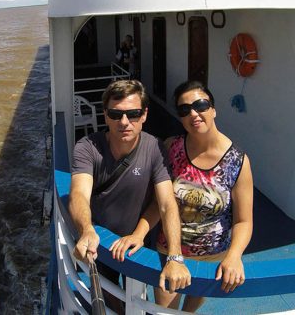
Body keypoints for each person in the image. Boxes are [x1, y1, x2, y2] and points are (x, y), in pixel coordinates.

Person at [110, 80, 254, 312]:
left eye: (200, 105)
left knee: (188, 310)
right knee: (167, 311)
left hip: (214, 257)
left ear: (213, 109)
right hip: (170, 251)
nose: (194, 114)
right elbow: (162, 204)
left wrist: (235, 256)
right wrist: (139, 233)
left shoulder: (237, 162)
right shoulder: (172, 148)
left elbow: (244, 221)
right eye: (184, 110)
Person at [69, 80, 191, 313]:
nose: (124, 122)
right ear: (105, 115)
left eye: (133, 114)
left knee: (140, 292)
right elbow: (78, 194)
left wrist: (175, 256)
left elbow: (166, 203)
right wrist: (86, 229)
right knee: (110, 294)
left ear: (144, 115)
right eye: (116, 114)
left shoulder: (155, 147)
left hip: (138, 243)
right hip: (101, 240)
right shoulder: (87, 147)